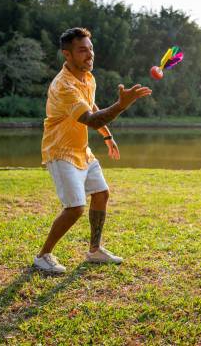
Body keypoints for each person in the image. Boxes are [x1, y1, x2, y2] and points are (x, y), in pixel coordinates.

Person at [34, 27, 152, 273]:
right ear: (67, 54)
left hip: (82, 150)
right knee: (75, 208)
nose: (89, 54)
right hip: (60, 151)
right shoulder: (63, 86)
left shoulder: (88, 78)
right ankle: (43, 255)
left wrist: (107, 136)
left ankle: (94, 250)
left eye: (90, 49)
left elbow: (92, 106)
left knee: (101, 193)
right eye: (82, 50)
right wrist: (121, 105)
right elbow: (91, 118)